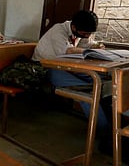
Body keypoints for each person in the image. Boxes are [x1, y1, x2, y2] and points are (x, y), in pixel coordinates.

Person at [32, 10, 112, 152]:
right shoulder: (58, 30)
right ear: (74, 27)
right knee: (87, 91)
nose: (87, 36)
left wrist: (96, 47)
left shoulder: (82, 30)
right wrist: (87, 51)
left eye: (89, 34)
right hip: (46, 68)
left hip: (68, 66)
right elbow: (66, 51)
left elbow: (87, 44)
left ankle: (111, 125)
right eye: (85, 33)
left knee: (105, 82)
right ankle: (105, 133)